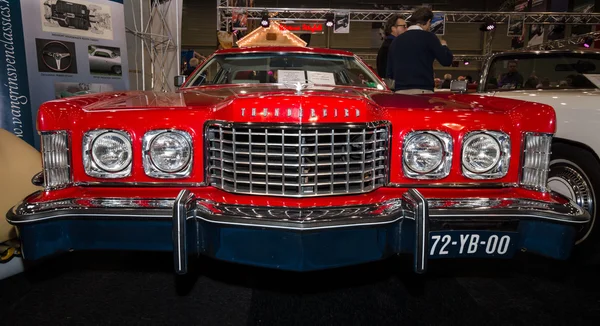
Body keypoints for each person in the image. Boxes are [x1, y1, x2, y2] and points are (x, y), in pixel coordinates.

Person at [386, 7, 454, 94]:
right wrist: (444, 46)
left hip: (400, 90)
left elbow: (389, 72)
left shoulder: (396, 40)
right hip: (423, 89)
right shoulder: (429, 37)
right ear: (428, 21)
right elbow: (446, 61)